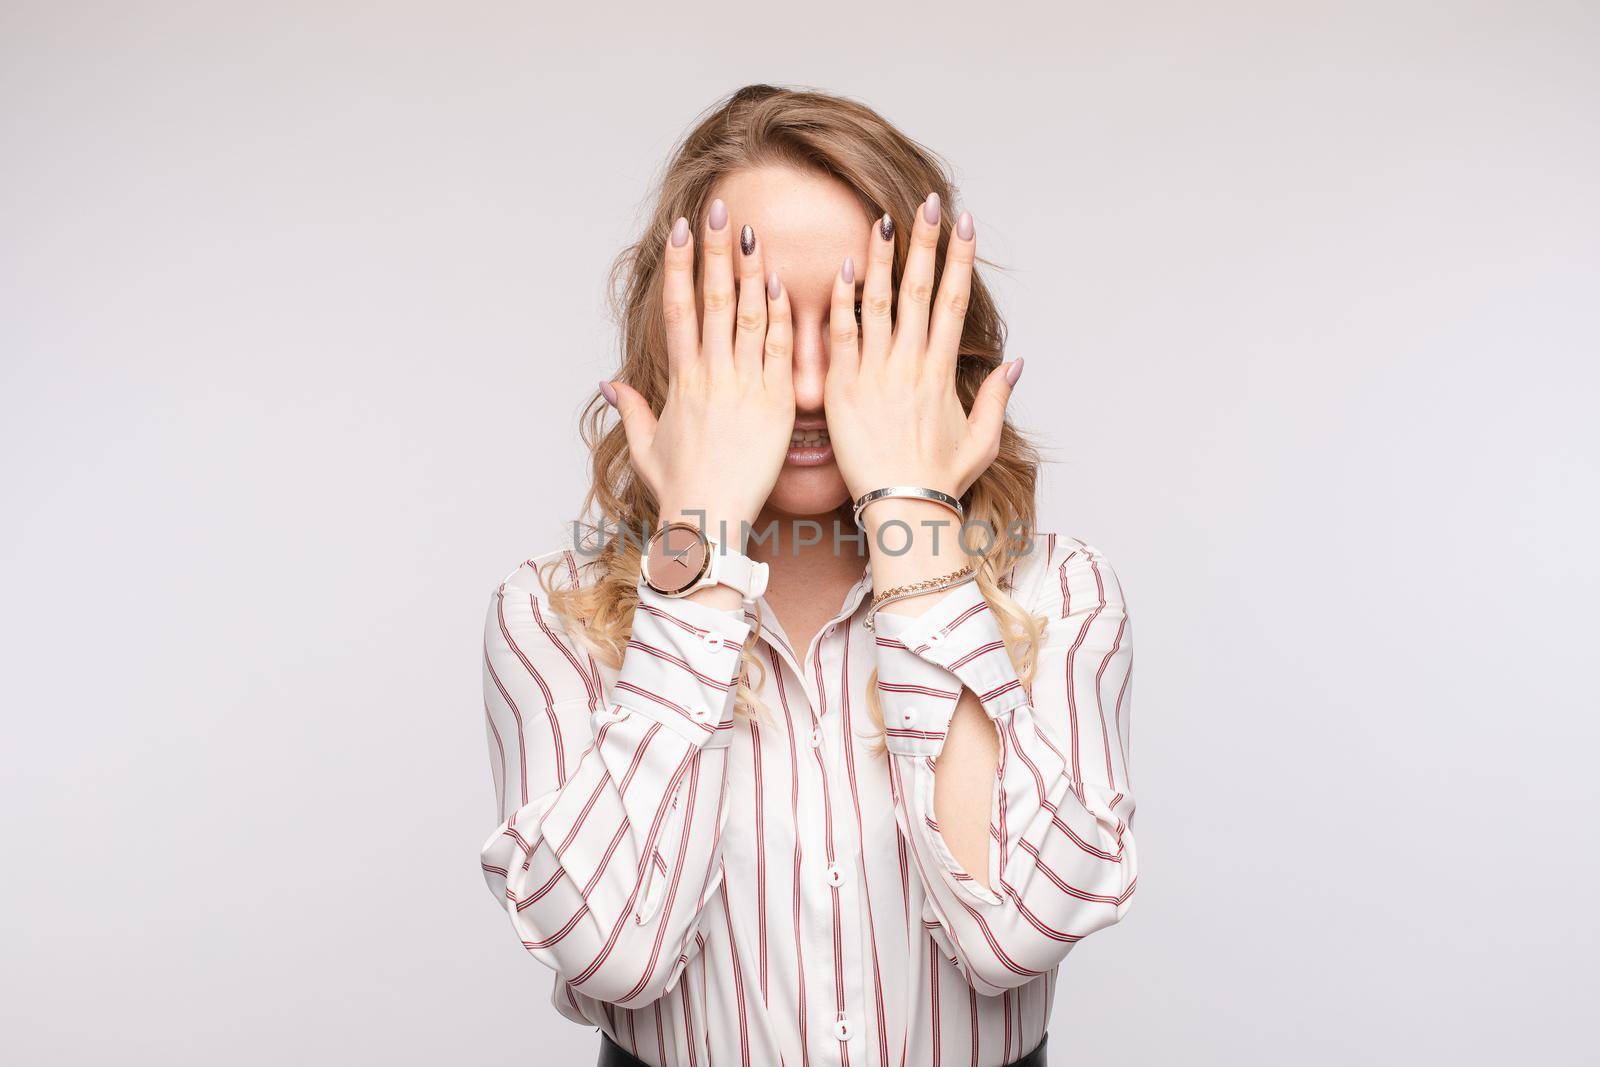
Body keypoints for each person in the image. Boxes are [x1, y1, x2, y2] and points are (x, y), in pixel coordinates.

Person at [478, 84, 1137, 1067]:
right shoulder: (548, 617)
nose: (813, 384)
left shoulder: (1064, 593)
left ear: (935, 333)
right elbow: (614, 954)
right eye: (758, 323)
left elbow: (1017, 933)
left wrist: (912, 517)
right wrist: (699, 540)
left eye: (861, 321)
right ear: (674, 340)